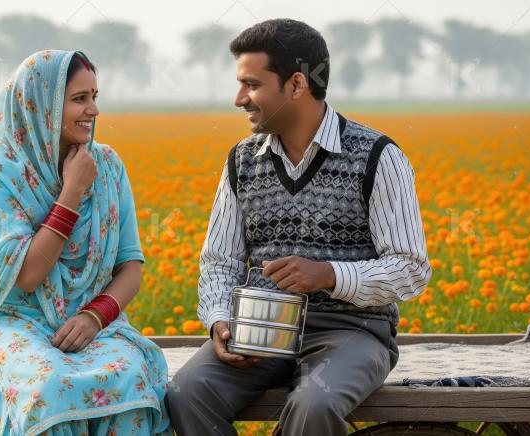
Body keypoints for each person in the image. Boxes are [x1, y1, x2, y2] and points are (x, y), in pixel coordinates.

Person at [167, 19, 432, 436]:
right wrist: (221, 321)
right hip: (259, 329)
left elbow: (411, 268)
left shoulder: (378, 156)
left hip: (353, 333)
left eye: (251, 85)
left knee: (315, 403)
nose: (239, 99)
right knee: (185, 394)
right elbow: (220, 262)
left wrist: (329, 275)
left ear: (295, 84)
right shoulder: (241, 160)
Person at [0, 49, 172, 436]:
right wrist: (72, 190)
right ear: (40, 106)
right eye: (79, 99)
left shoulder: (107, 165)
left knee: (131, 380)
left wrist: (95, 316)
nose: (93, 109)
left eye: (95, 96)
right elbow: (27, 275)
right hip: (16, 325)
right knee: (49, 390)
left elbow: (130, 266)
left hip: (94, 324)